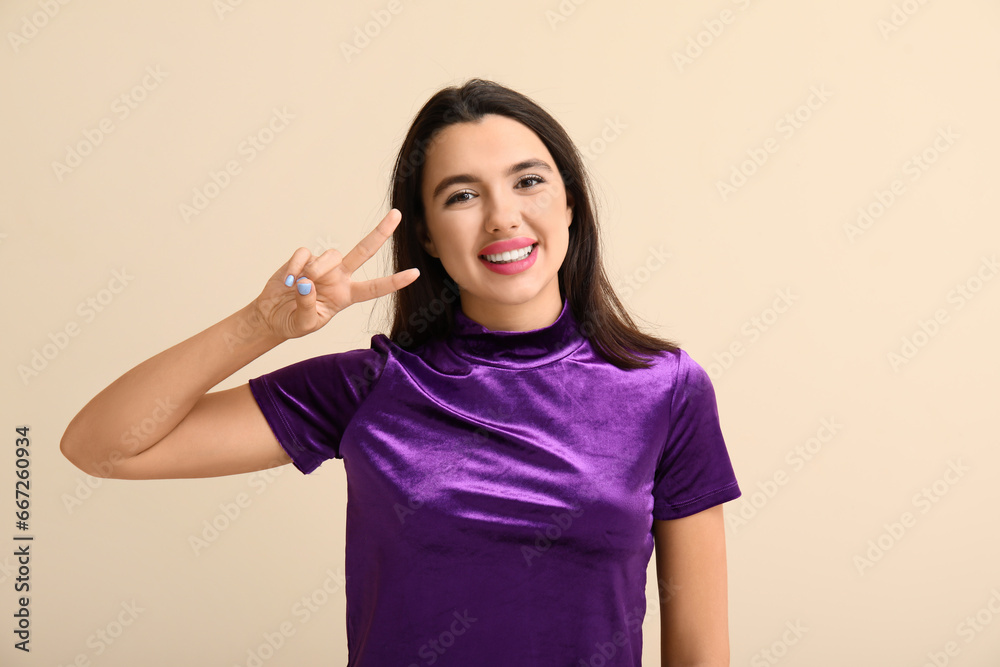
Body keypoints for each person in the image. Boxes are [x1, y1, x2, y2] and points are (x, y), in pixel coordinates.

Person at [61, 78, 742, 666]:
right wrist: (261, 325)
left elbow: (701, 651)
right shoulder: (369, 389)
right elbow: (101, 444)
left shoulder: (666, 388)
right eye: (461, 196)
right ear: (428, 233)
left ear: (569, 203)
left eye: (529, 181)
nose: (504, 216)